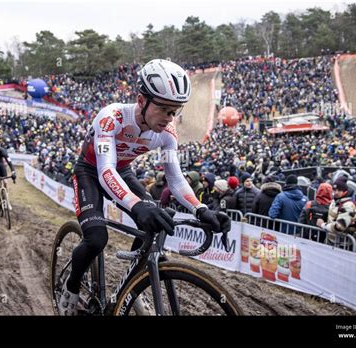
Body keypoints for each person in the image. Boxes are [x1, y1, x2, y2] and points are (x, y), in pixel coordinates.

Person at [59, 59, 231, 315]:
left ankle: (132, 286)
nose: (168, 118)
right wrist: (136, 205)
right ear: (141, 101)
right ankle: (70, 288)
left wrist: (200, 209)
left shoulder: (167, 134)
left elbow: (175, 178)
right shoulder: (112, 117)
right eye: (163, 109)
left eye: (174, 111)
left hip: (122, 172)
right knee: (96, 239)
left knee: (153, 220)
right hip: (91, 172)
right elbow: (105, 171)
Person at [316, 177, 356, 245]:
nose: (336, 192)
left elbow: (339, 226)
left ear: (345, 191)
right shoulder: (336, 201)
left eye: (339, 190)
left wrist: (322, 225)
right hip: (332, 241)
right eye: (334, 190)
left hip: (343, 244)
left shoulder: (348, 205)